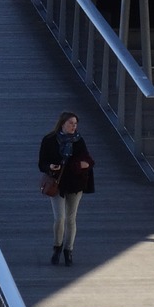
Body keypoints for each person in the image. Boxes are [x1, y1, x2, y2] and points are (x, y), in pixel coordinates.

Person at [38, 111, 95, 266]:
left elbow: (88, 159)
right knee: (59, 218)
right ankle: (57, 247)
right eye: (70, 123)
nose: (73, 126)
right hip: (57, 183)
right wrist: (50, 166)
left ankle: (68, 250)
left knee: (71, 218)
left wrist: (84, 165)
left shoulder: (79, 141)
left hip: (76, 184)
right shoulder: (49, 140)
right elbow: (41, 163)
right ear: (62, 123)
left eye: (75, 124)